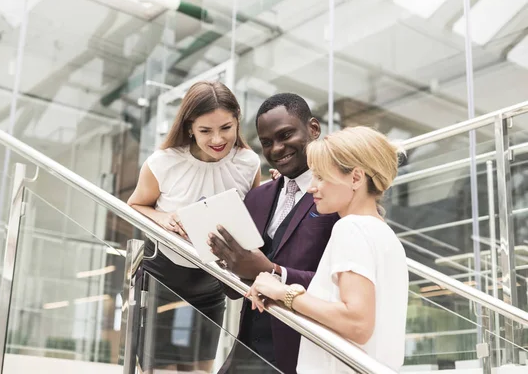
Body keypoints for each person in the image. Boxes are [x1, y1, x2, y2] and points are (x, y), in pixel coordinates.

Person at [246, 126, 409, 373]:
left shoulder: (351, 228)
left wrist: (283, 293)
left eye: (321, 176)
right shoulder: (384, 234)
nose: (312, 187)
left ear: (356, 178)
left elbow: (357, 323)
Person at [127, 80, 261, 372]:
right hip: (161, 281)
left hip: (210, 283)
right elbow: (135, 205)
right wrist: (163, 218)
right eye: (205, 131)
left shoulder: (248, 163)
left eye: (226, 128)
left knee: (199, 371)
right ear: (189, 127)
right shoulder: (163, 163)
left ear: (237, 120)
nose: (217, 139)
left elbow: (252, 217)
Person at [208, 93, 339, 374]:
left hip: (304, 351)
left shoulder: (338, 194)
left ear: (313, 129)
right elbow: (233, 290)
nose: (277, 149)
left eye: (286, 135)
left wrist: (274, 271)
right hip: (246, 351)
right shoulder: (256, 198)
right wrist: (226, 261)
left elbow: (339, 284)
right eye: (267, 143)